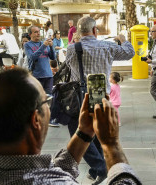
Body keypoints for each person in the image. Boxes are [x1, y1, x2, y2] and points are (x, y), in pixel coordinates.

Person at [0, 68, 142, 185]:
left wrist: (83, 133)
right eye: (47, 101)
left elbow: (48, 173)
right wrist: (110, 143)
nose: (50, 107)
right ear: (36, 120)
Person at [65, 16, 135, 184]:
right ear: (95, 30)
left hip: (79, 95)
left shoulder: (72, 49)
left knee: (80, 132)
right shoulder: (107, 46)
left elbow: (69, 66)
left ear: (79, 32)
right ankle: (101, 168)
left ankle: (100, 168)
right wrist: (123, 39)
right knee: (96, 132)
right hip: (100, 93)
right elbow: (130, 52)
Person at [24, 26, 55, 95]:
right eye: (35, 32)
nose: (38, 34)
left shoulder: (43, 43)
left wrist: (51, 46)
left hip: (48, 75)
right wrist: (43, 46)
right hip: (37, 76)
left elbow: (53, 57)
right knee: (39, 98)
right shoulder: (27, 45)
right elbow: (32, 57)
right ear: (30, 34)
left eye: (39, 32)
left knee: (49, 98)